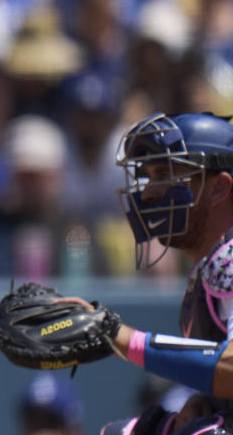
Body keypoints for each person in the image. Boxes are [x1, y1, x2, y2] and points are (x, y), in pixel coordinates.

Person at [89, 112, 233, 433]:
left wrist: (121, 338)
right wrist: (204, 402)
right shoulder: (208, 269)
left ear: (219, 189)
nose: (149, 193)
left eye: (166, 175)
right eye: (149, 176)